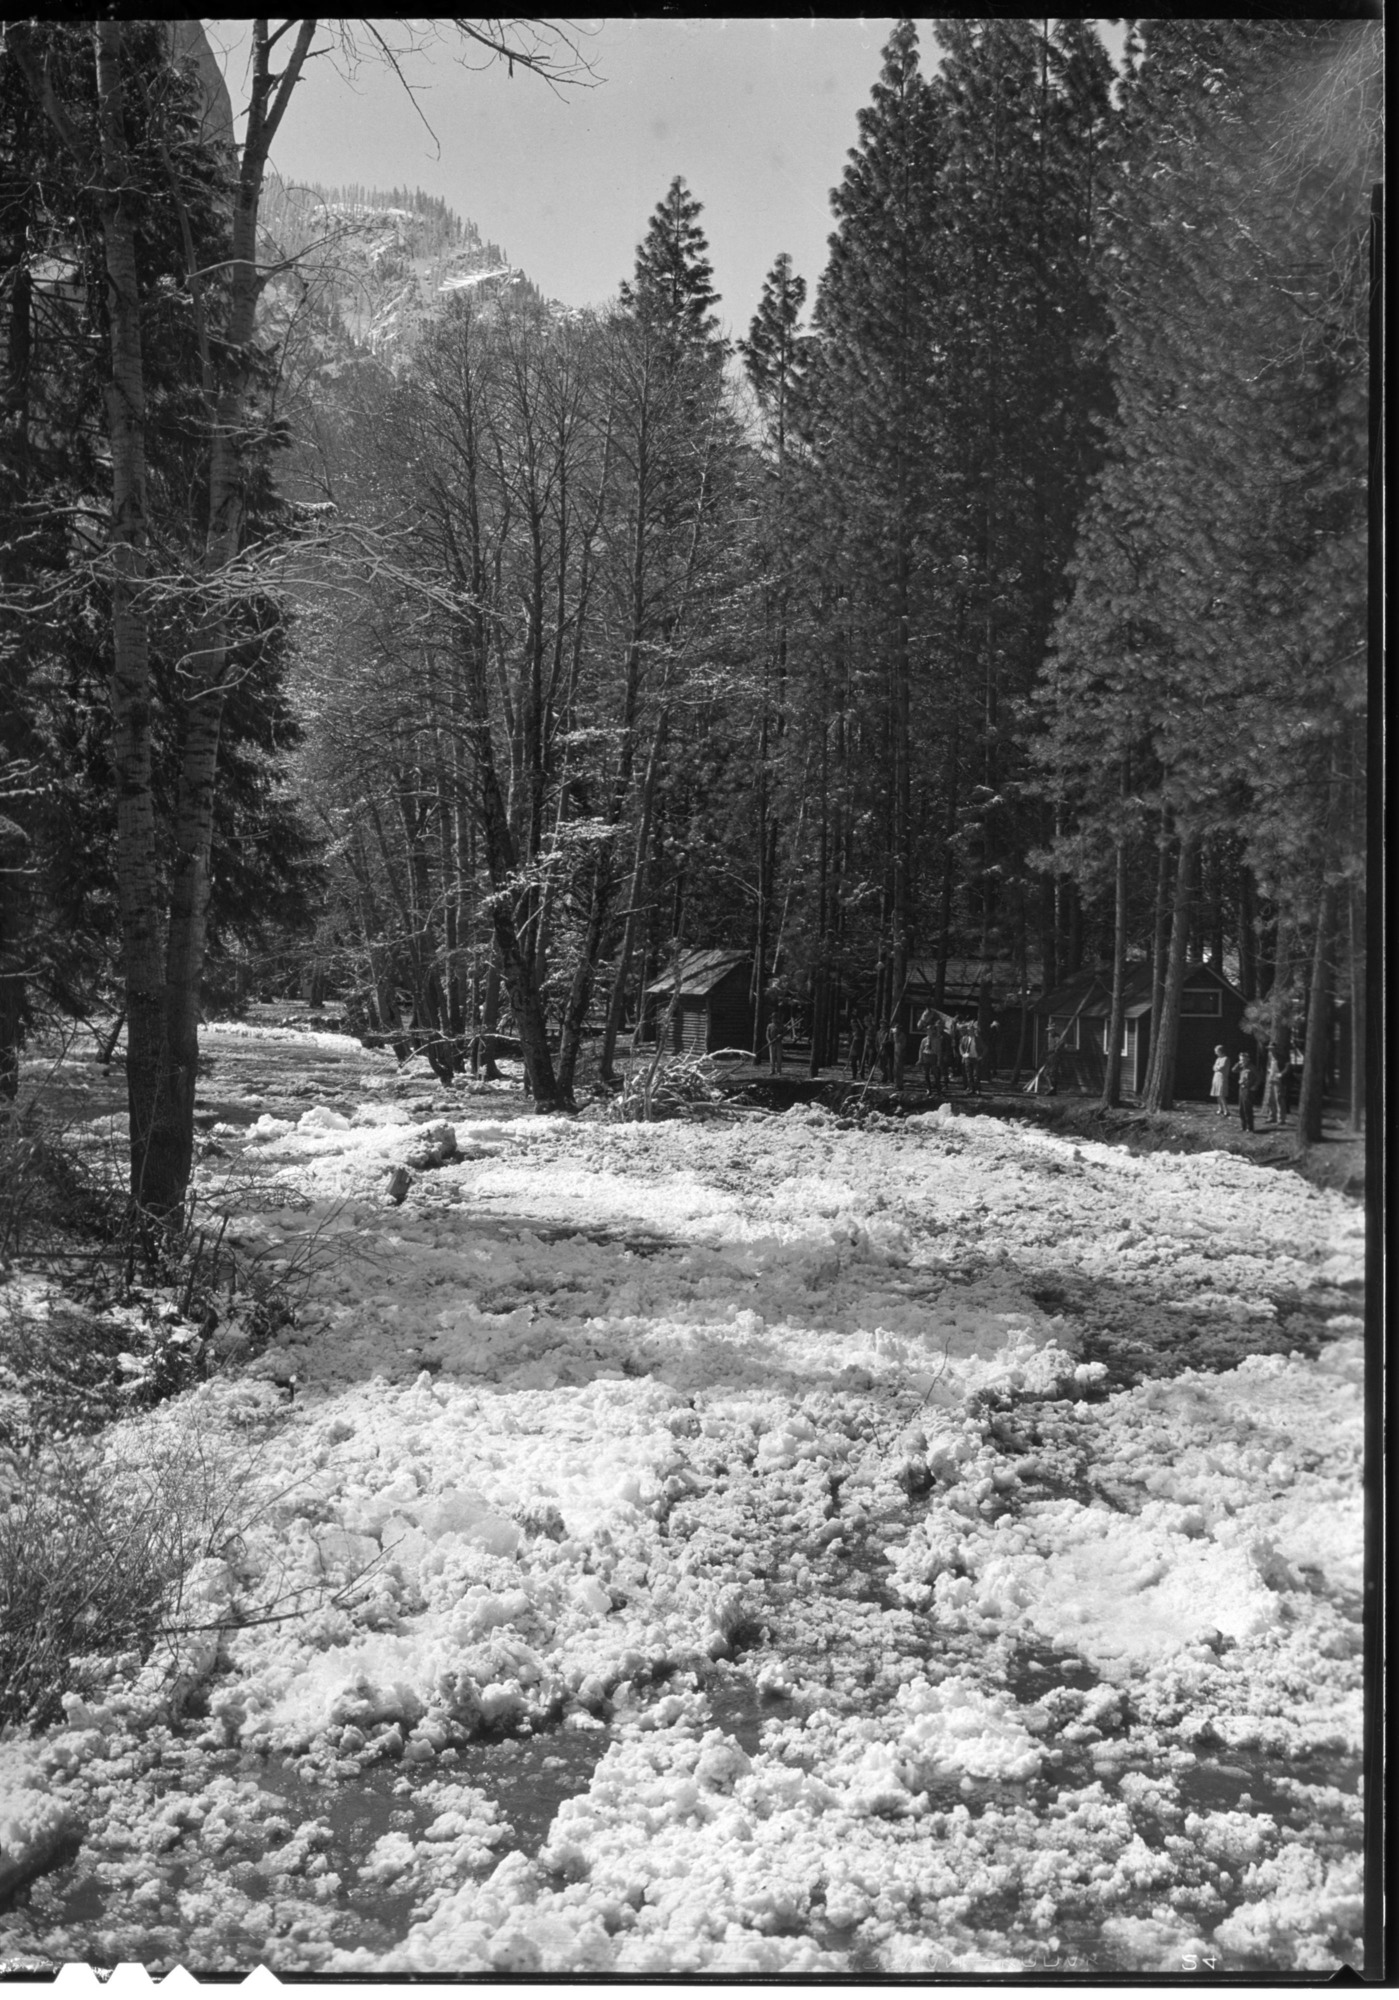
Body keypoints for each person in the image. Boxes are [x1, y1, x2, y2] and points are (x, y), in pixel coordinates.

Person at [1233, 1048, 1258, 1132]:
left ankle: (1249, 1127)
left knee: (1247, 1108)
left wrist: (1255, 1086)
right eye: (1241, 1059)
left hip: (1248, 1089)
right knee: (1241, 1108)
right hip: (1241, 1088)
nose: (1242, 1061)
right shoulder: (1241, 1067)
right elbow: (1233, 1070)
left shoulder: (1252, 1067)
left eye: (1243, 1059)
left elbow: (1259, 1077)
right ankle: (1243, 1126)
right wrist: (1238, 1063)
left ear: (1248, 1059)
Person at [1262, 1044, 1286, 1126]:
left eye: (1272, 1049)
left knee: (1278, 1099)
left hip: (1278, 1081)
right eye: (1269, 1049)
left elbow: (1288, 1066)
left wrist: (1281, 1074)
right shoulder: (1270, 1058)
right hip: (1271, 1080)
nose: (1270, 1051)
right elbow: (1268, 1067)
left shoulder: (1280, 1057)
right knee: (1270, 1099)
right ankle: (1272, 1116)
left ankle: (1281, 1118)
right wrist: (1269, 1071)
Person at [1210, 1044, 1229, 1117]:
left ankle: (1226, 1110)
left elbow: (1221, 1067)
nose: (1215, 1053)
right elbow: (1213, 1067)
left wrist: (1216, 1067)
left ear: (1221, 1051)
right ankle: (1220, 1109)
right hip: (1216, 1077)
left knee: (1221, 1094)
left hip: (1222, 1078)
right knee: (1217, 1094)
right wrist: (1216, 1067)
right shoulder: (1217, 1059)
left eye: (1217, 1051)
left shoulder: (1226, 1058)